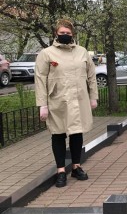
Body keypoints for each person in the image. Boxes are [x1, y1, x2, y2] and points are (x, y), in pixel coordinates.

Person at [35, 18, 98, 188]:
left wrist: (93, 97)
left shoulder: (82, 52)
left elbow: (92, 76)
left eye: (68, 33)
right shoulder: (46, 53)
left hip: (79, 99)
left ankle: (76, 166)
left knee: (77, 133)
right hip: (57, 100)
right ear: (56, 33)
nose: (65, 35)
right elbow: (40, 79)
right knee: (58, 134)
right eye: (62, 33)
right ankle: (61, 170)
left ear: (73, 34)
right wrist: (42, 104)